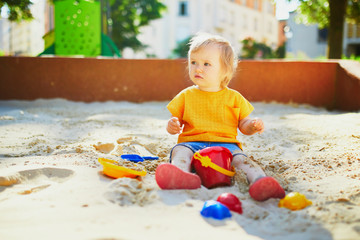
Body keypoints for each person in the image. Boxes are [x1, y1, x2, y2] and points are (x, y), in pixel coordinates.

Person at [155, 32, 285, 201]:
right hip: (192, 143)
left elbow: (243, 124)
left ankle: (260, 181)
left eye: (206, 64)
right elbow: (175, 121)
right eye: (193, 62)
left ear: (225, 70)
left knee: (242, 161)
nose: (198, 68)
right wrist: (171, 125)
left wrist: (251, 126)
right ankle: (180, 174)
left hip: (226, 146)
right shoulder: (186, 95)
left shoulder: (234, 97)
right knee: (180, 151)